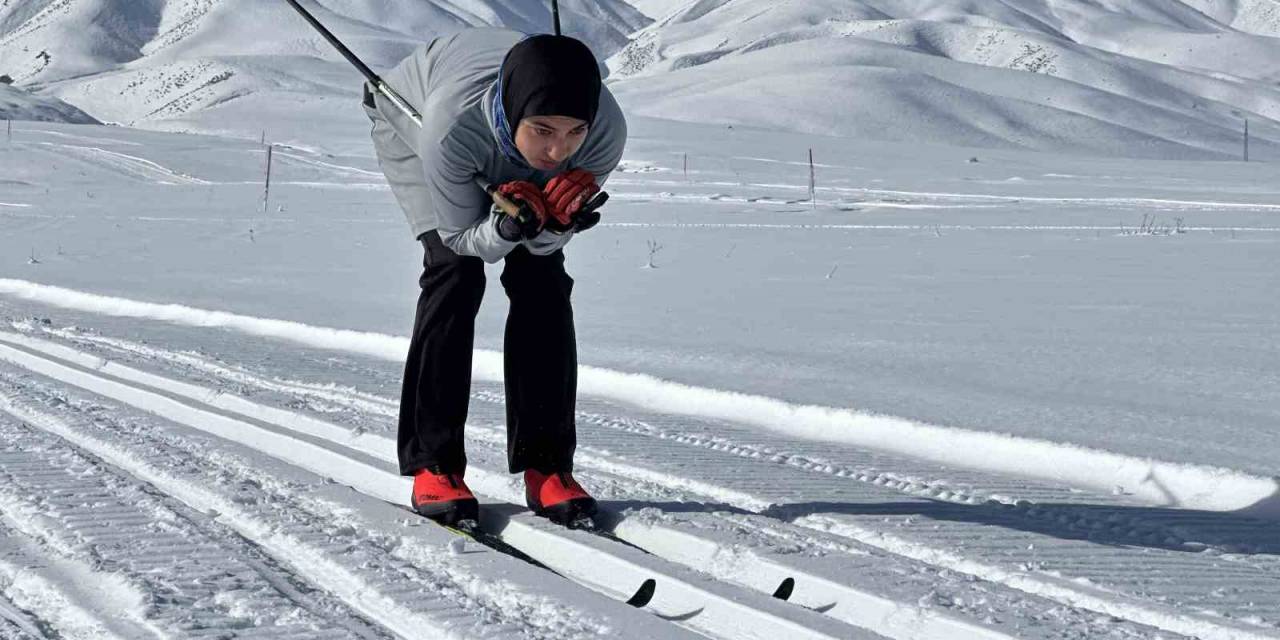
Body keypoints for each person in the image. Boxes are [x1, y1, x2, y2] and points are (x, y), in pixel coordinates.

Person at [362, 28, 627, 526]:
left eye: (574, 132)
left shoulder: (605, 134)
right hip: (411, 123)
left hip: (493, 123)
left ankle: (546, 465)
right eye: (544, 130)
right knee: (454, 274)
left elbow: (545, 244)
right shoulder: (449, 129)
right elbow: (463, 238)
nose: (558, 152)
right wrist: (505, 225)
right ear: (515, 112)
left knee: (543, 278)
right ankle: (433, 462)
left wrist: (554, 224)